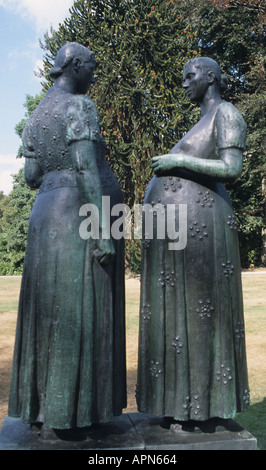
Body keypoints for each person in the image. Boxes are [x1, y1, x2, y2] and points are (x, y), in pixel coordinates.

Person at [8, 43, 126, 432]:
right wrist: (103, 233)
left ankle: (45, 409)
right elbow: (86, 167)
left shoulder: (36, 115)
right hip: (78, 214)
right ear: (74, 65)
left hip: (45, 214)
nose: (93, 74)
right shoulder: (79, 107)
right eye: (91, 66)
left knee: (49, 313)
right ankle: (77, 413)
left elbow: (30, 177)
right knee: (79, 311)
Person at [137, 57, 250, 424]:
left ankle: (203, 408)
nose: (184, 83)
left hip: (205, 231)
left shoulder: (227, 114)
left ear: (211, 78)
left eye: (190, 76)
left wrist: (176, 163)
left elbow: (232, 169)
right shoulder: (200, 121)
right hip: (181, 234)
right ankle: (179, 406)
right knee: (180, 320)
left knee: (202, 316)